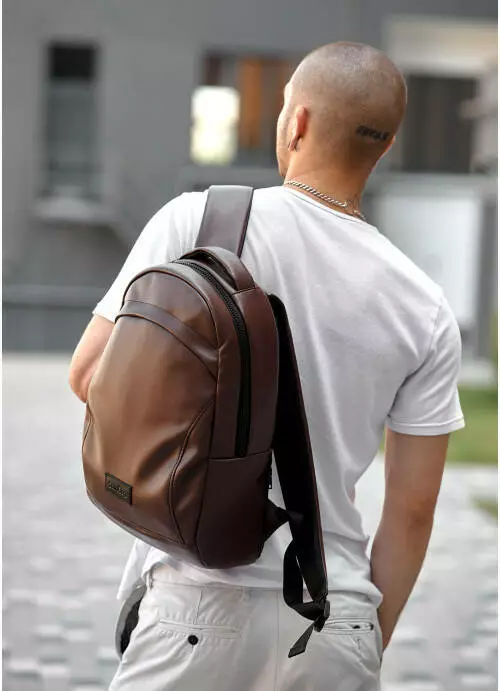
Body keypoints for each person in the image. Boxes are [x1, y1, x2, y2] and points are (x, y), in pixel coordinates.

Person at [69, 42, 465, 691]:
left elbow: (89, 376)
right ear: (386, 146)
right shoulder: (424, 305)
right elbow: (413, 510)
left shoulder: (200, 223)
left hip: (197, 601)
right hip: (335, 616)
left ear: (296, 121)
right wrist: (362, 642)